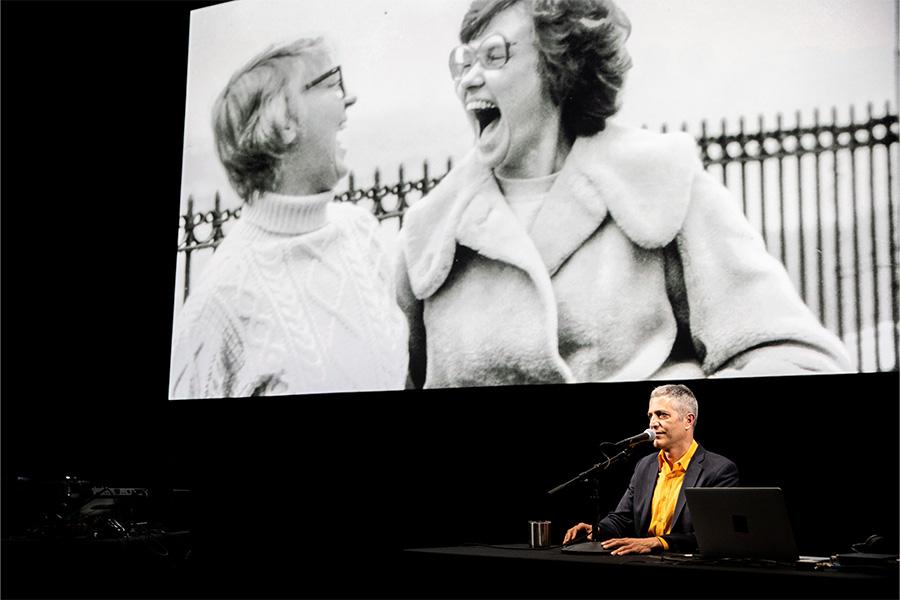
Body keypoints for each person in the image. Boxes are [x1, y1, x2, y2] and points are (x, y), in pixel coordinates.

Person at [395, 0, 851, 388]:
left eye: (493, 56)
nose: (469, 78)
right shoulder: (428, 236)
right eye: (463, 61)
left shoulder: (660, 184)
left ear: (561, 66)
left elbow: (801, 359)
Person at [170, 37, 408, 399]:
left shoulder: (361, 231)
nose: (350, 98)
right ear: (282, 123)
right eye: (332, 84)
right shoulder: (220, 300)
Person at [562, 384, 738, 555]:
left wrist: (658, 542)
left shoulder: (719, 470)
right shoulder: (645, 466)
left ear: (688, 420)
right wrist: (598, 529)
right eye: (651, 415)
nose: (653, 423)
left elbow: (715, 535)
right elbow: (622, 517)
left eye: (662, 415)